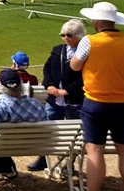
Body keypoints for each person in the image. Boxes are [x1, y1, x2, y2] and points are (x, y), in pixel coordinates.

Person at [68, 1, 124, 191]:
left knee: (95, 151)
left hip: (96, 103)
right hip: (123, 103)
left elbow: (75, 66)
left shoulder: (90, 41)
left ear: (96, 21)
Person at [27, 19, 86, 172]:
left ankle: (70, 164)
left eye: (69, 35)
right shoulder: (58, 50)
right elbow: (47, 69)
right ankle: (43, 159)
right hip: (54, 99)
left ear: (79, 36)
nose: (65, 38)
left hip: (75, 100)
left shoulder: (86, 53)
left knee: (75, 134)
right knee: (47, 128)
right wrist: (49, 85)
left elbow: (85, 77)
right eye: (63, 35)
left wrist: (68, 91)